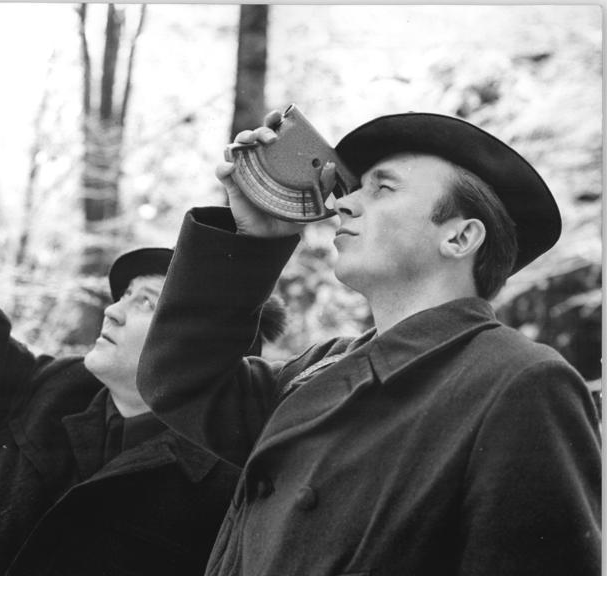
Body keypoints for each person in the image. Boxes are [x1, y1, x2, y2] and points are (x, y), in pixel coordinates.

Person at [0, 38, 284, 575]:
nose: (113, 312)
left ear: (198, 343)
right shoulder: (40, 394)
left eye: (145, 302)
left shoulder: (232, 483)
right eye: (121, 296)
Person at [137, 109, 602, 574]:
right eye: (356, 187)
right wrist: (255, 240)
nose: (344, 203)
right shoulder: (323, 367)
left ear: (460, 236)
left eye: (382, 188)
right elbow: (180, 381)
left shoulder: (520, 382)